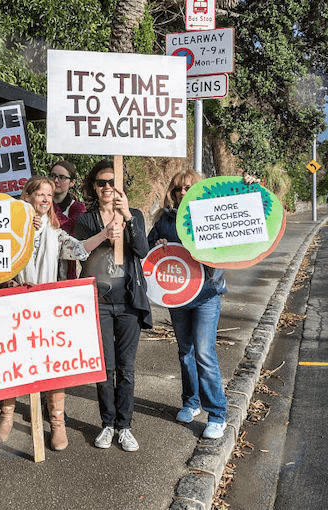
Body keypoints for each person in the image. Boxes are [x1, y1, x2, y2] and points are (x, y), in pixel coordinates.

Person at [0, 176, 119, 450]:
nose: (45, 199)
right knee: (11, 362)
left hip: (44, 306)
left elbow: (79, 249)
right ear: (27, 197)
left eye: (49, 194)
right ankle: (7, 417)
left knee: (51, 363)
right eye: (39, 194)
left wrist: (105, 234)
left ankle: (57, 424)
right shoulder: (9, 228)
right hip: (14, 302)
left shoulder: (55, 231)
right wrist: (22, 226)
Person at [146, 170, 250, 440]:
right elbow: (147, 252)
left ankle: (217, 414)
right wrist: (158, 244)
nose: (182, 192)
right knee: (185, 351)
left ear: (198, 189)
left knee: (204, 353)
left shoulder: (213, 214)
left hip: (206, 294)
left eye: (188, 188)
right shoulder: (165, 220)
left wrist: (249, 186)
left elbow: (242, 213)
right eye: (178, 189)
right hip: (178, 295)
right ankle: (190, 402)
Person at [74, 160, 152, 452]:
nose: (106, 187)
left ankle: (125, 426)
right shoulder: (87, 218)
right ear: (93, 187)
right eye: (100, 183)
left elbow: (142, 251)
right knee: (105, 368)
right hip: (99, 302)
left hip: (129, 301)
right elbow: (80, 252)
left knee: (126, 368)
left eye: (111, 182)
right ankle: (107, 424)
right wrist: (105, 234)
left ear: (120, 185)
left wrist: (128, 217)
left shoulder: (136, 215)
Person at [49, 160, 87, 280]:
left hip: (64, 273)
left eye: (61, 177)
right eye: (53, 176)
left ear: (72, 182)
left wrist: (49, 205)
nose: (55, 181)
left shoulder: (77, 208)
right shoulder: (38, 203)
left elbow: (66, 230)